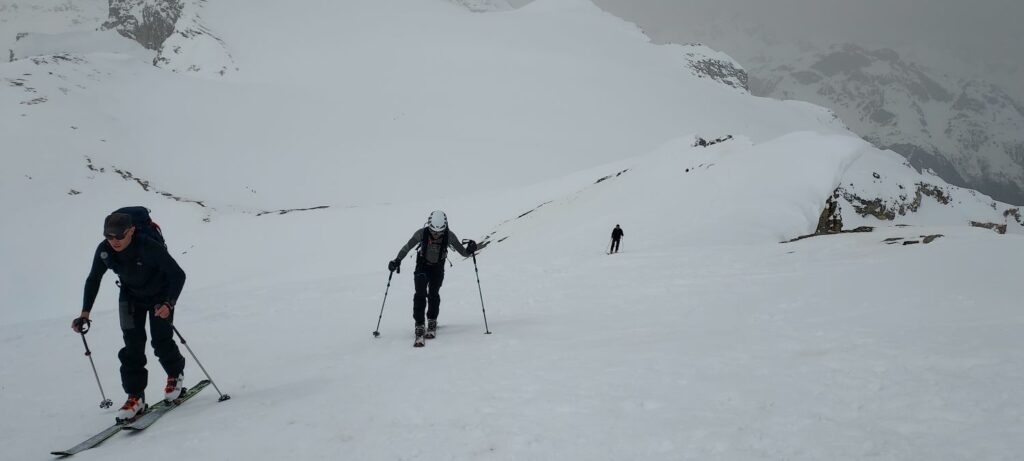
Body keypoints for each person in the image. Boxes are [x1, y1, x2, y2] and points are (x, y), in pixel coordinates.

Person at [72, 212, 187, 422]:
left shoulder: (148, 246)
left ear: (131, 231)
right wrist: (84, 314)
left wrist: (169, 303)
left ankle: (175, 374)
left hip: (159, 296)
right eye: (109, 236)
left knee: (160, 341)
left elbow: (178, 274)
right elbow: (93, 279)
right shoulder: (105, 250)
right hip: (130, 297)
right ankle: (136, 397)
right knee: (132, 346)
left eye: (119, 236)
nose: (114, 241)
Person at [388, 210, 477, 346]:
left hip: (437, 268)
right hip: (422, 267)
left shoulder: (449, 236)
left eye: (440, 232)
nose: (436, 234)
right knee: (420, 294)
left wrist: (470, 250)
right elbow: (407, 247)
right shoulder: (421, 233)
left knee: (434, 294)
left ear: (445, 227)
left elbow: (463, 252)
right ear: (429, 225)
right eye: (434, 231)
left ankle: (432, 321)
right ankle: (419, 324)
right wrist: (397, 260)